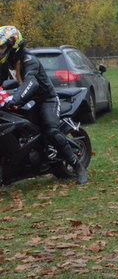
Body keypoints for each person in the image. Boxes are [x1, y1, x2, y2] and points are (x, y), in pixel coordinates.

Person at [0, 26, 88, 184]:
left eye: (2, 47)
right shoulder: (6, 62)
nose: (0, 50)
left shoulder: (28, 59)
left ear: (13, 45)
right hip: (27, 100)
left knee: (51, 130)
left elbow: (31, 82)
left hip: (46, 99)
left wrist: (15, 100)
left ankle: (77, 167)